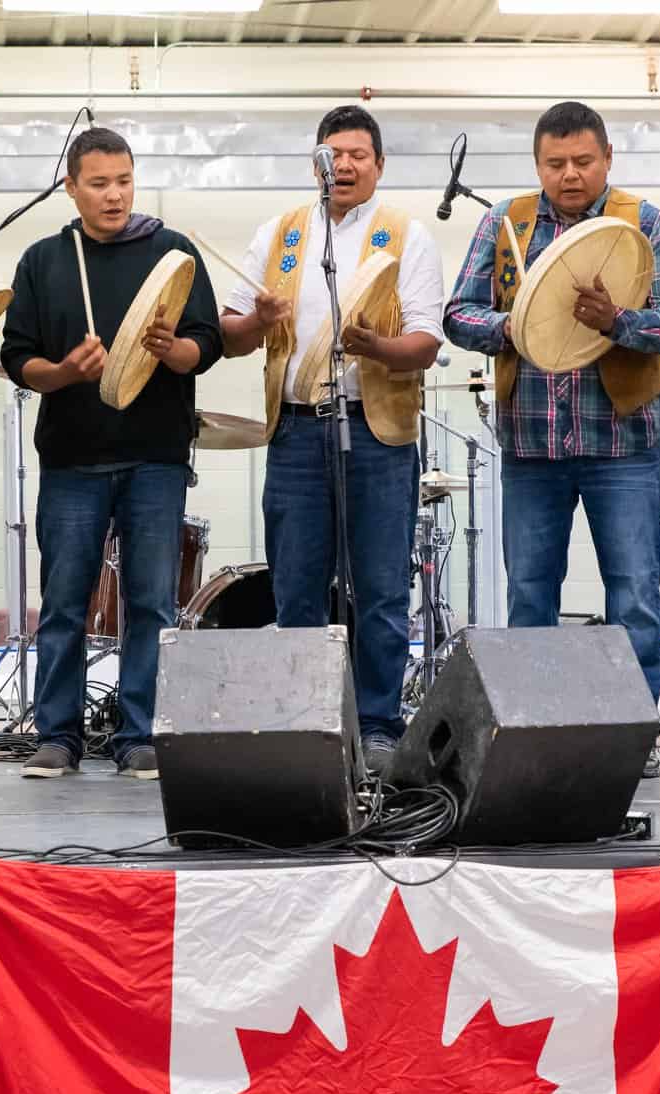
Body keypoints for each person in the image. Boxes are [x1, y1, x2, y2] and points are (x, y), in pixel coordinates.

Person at [444, 100, 660, 781]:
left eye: (582, 161)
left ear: (607, 158)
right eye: (554, 164)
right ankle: (530, 726)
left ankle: (635, 734)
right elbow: (456, 313)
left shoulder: (645, 224)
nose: (569, 174)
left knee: (633, 591)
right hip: (530, 444)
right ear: (537, 165)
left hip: (623, 443)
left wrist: (615, 321)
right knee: (529, 592)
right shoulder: (504, 223)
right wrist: (516, 326)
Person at [218, 105, 445, 777]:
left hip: (375, 433)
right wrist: (254, 320)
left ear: (378, 164)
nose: (342, 165)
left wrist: (376, 347)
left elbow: (425, 344)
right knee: (295, 587)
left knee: (378, 588)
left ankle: (377, 722)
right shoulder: (282, 234)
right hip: (293, 431)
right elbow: (230, 335)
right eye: (331, 154)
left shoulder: (407, 236)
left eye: (356, 154)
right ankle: (304, 721)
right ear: (313, 162)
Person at [0, 126, 222, 781]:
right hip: (72, 457)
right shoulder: (44, 260)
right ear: (70, 187)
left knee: (151, 602)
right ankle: (58, 736)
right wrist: (66, 370)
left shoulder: (171, 252)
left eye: (123, 180)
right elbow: (17, 360)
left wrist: (169, 350)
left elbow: (205, 343)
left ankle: (139, 735)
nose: (114, 194)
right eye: (98, 183)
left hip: (154, 455)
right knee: (65, 600)